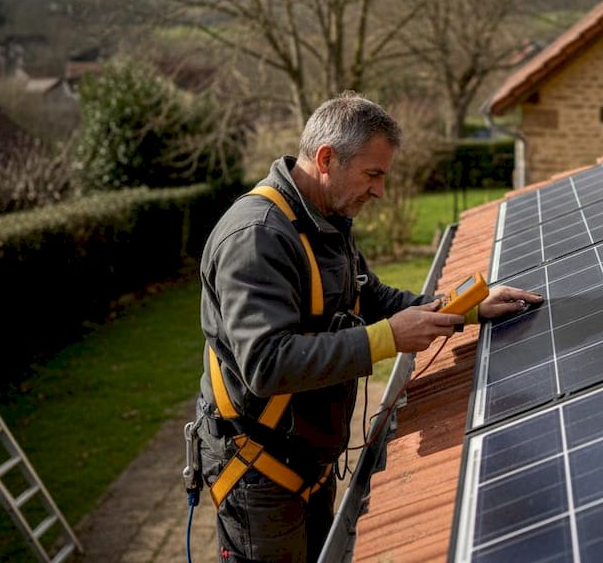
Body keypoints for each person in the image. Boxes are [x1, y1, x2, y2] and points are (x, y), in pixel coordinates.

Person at [194, 91, 542, 562]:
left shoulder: (325, 218)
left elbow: (371, 297)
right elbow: (267, 362)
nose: (379, 190)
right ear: (326, 159)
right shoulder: (257, 238)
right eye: (372, 174)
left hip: (307, 457)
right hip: (258, 471)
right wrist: (388, 339)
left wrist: (467, 308)